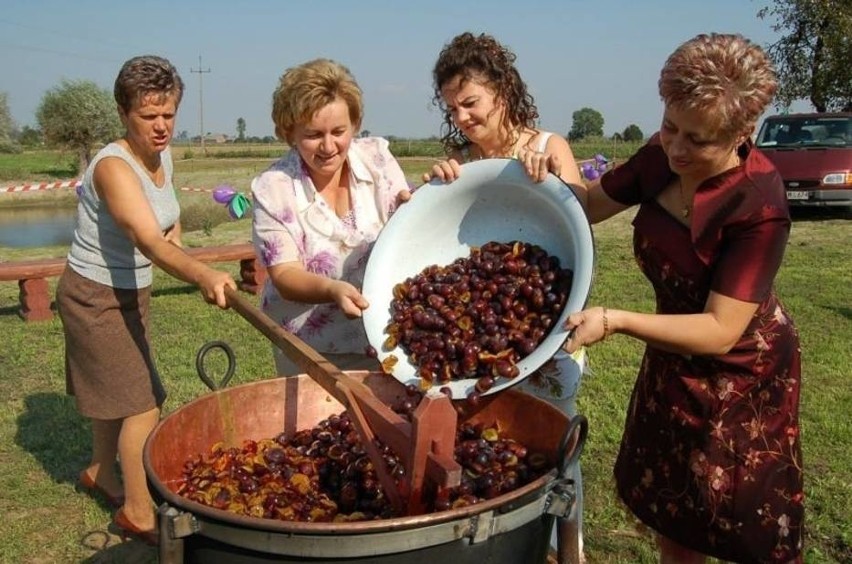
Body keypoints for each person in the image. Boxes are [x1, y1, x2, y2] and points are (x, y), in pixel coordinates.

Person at [562, 33, 803, 563]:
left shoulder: (758, 203)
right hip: (673, 357)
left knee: (741, 516)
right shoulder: (660, 157)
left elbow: (720, 329)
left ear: (742, 133)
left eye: (698, 139)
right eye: (670, 126)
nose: (676, 148)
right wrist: (527, 171)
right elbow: (587, 205)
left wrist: (616, 320)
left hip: (743, 370)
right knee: (675, 506)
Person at [56, 55, 236, 545]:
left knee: (118, 392)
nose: (161, 127)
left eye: (168, 115)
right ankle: (138, 512)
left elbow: (167, 222)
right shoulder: (114, 168)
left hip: (131, 289)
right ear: (123, 113)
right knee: (142, 403)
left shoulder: (163, 155)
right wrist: (200, 272)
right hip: (94, 295)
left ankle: (100, 471)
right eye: (147, 116)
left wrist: (182, 242)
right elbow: (147, 239)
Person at [425, 31, 589, 560]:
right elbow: (433, 234)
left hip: (546, 331)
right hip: (481, 339)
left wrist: (556, 183)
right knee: (495, 448)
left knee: (554, 447)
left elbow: (581, 229)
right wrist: (434, 182)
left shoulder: (548, 147)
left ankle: (569, 551)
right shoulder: (459, 161)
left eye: (470, 102)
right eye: (453, 107)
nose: (463, 116)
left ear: (501, 90)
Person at [251, 58, 411, 376]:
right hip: (309, 346)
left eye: (339, 131)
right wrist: (332, 290)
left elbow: (405, 231)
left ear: (355, 123)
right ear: (289, 132)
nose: (328, 146)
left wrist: (423, 202)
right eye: (313, 134)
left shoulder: (378, 159)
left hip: (384, 335)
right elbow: (284, 275)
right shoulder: (274, 188)